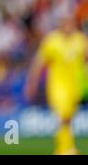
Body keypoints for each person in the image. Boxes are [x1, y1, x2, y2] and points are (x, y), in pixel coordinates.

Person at [25, 13, 88, 155]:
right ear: (61, 25)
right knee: (64, 115)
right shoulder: (52, 41)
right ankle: (66, 149)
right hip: (58, 86)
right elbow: (39, 63)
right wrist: (32, 83)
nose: (68, 26)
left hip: (76, 85)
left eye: (70, 23)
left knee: (69, 117)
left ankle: (65, 147)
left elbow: (86, 59)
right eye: (65, 23)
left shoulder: (80, 40)